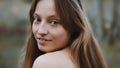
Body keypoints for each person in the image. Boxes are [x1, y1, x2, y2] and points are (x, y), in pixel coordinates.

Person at [22, 0, 107, 68]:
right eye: (37, 19)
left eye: (54, 22)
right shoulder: (84, 60)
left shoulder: (45, 63)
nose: (41, 31)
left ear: (74, 26)